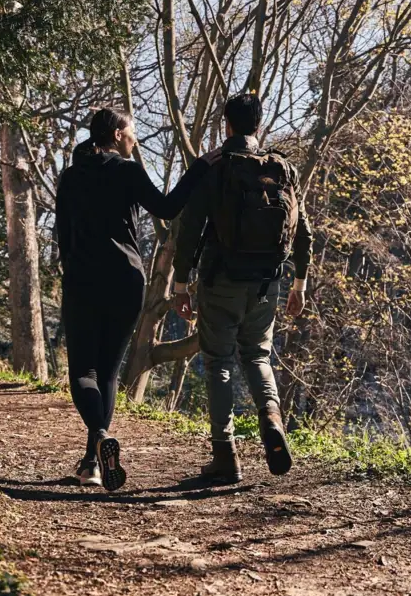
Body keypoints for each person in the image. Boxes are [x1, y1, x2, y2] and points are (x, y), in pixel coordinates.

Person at [55, 107, 219, 491]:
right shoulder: (126, 170)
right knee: (109, 372)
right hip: (125, 279)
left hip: (82, 278)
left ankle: (97, 441)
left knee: (83, 372)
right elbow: (166, 207)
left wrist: (72, 272)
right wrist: (197, 168)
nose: (135, 141)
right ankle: (93, 461)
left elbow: (62, 235)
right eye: (132, 134)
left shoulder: (70, 177)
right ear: (116, 135)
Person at [172, 93, 312, 485]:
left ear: (226, 125)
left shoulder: (216, 168)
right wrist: (298, 284)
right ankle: (270, 417)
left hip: (221, 279)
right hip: (268, 281)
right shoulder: (282, 169)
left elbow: (190, 230)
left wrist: (181, 285)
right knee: (257, 356)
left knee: (218, 362)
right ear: (258, 125)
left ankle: (225, 456)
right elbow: (302, 232)